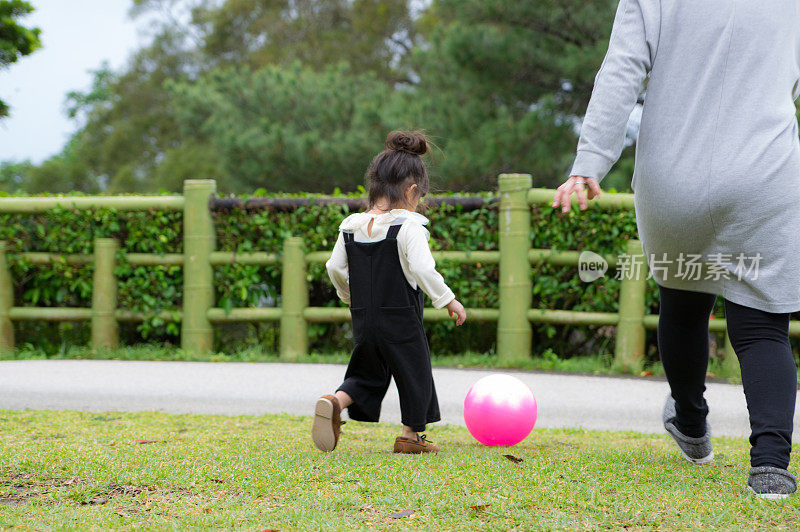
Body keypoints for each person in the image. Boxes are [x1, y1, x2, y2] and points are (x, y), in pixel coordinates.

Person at [553, 0, 800, 499]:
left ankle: (689, 421)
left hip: (673, 179)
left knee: (683, 304)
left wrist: (590, 162)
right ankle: (770, 468)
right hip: (764, 172)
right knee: (761, 329)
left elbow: (621, 69)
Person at [313, 130, 467, 455]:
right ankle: (411, 436)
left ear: (375, 186)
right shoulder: (409, 226)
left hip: (364, 317)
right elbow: (424, 270)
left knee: (368, 371)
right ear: (413, 191)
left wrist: (347, 296)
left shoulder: (351, 224)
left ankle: (335, 401)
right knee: (416, 372)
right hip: (400, 317)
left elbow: (333, 267)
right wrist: (448, 300)